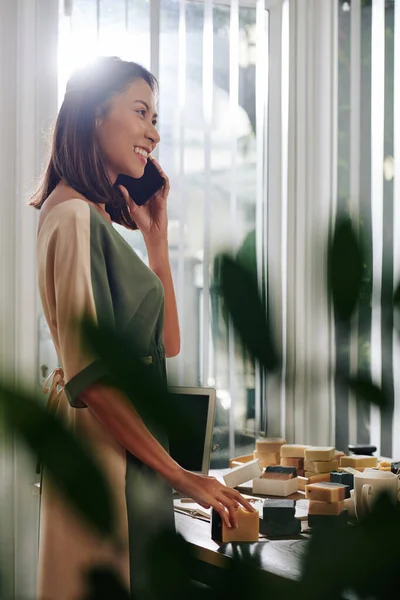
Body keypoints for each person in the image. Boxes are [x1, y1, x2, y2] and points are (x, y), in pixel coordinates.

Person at [31, 56, 254, 599]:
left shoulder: (93, 217)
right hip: (105, 455)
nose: (153, 134)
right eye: (141, 113)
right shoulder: (74, 218)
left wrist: (156, 240)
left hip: (128, 453)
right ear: (93, 113)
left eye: (156, 119)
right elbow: (93, 378)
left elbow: (167, 345)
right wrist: (182, 475)